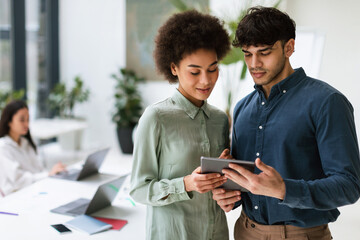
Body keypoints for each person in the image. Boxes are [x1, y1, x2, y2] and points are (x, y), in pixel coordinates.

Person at [212, 6, 360, 240]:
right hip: (245, 231)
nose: (254, 63)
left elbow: (349, 186)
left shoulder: (327, 102)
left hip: (301, 235)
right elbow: (247, 185)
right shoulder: (242, 108)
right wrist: (227, 191)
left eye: (264, 52)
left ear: (289, 47)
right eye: (247, 53)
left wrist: (284, 190)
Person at [130, 10, 231, 240]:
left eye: (213, 69)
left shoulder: (220, 119)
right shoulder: (156, 118)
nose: (206, 80)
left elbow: (223, 186)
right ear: (174, 68)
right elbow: (137, 189)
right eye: (194, 71)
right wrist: (185, 184)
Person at [0, 100, 66, 196]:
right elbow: (19, 180)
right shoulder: (3, 147)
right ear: (9, 122)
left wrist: (53, 173)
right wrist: (48, 175)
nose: (26, 124)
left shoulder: (26, 142)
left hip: (36, 189)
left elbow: (39, 169)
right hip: (16, 196)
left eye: (28, 119)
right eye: (22, 120)